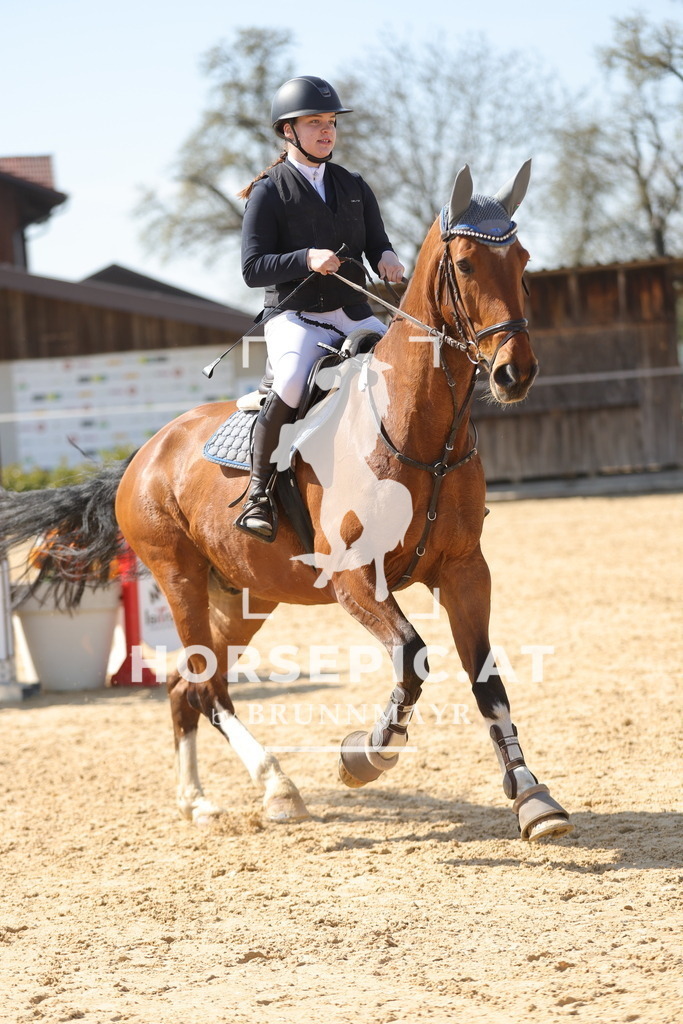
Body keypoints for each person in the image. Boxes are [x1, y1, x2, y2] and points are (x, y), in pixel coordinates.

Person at [236, 75, 405, 540]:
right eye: (315, 122)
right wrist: (304, 258)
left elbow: (378, 243)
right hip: (297, 317)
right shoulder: (269, 191)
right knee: (291, 380)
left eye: (330, 122)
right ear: (288, 131)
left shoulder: (354, 185)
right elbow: (252, 269)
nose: (327, 130)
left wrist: (387, 259)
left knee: (411, 371)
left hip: (354, 311)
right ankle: (259, 493)